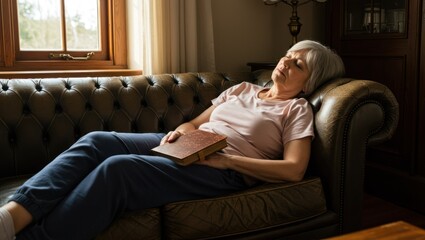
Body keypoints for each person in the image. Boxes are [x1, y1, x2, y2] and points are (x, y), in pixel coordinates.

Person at [0, 40, 345, 240]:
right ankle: (11, 218)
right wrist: (182, 131)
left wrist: (229, 161)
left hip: (223, 167)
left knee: (118, 170)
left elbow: (294, 169)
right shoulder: (244, 88)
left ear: (308, 83)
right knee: (97, 142)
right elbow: (197, 122)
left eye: (297, 64)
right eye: (288, 54)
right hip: (192, 144)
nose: (286, 62)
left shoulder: (296, 110)